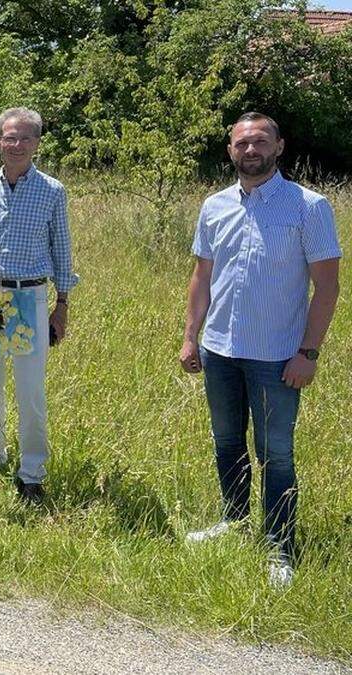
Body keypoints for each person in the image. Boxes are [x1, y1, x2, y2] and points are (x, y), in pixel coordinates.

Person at [179, 112, 341, 589]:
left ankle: (279, 547)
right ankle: (233, 521)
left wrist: (307, 354)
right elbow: (202, 275)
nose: (251, 150)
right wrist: (192, 336)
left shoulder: (309, 207)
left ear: (279, 146)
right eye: (242, 143)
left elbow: (327, 289)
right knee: (227, 442)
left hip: (277, 355)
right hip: (220, 350)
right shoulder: (214, 206)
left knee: (276, 452)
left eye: (260, 142)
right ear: (230, 149)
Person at [0, 107, 78, 505]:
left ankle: (32, 474)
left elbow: (63, 252)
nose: (18, 144)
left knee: (30, 391)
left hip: (30, 298)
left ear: (37, 143)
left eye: (26, 137)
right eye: (10, 137)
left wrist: (62, 305)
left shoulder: (52, 191)